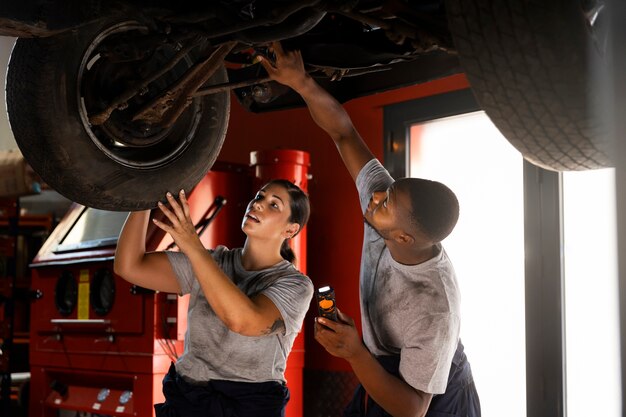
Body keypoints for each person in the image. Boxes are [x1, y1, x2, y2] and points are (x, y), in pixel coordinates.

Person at [260, 42, 480, 417]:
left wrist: (355, 352)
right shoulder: (387, 208)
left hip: (433, 400)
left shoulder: (433, 308)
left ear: (404, 238)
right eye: (387, 191)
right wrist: (301, 83)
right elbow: (344, 133)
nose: (375, 196)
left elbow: (412, 408)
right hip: (382, 368)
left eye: (386, 204)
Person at [113, 180, 314, 417]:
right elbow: (129, 266)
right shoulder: (213, 261)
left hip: (248, 408)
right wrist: (142, 197)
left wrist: (193, 245)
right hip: (188, 400)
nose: (258, 205)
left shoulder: (297, 285)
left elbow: (243, 321)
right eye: (259, 197)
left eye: (274, 205)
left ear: (290, 230)